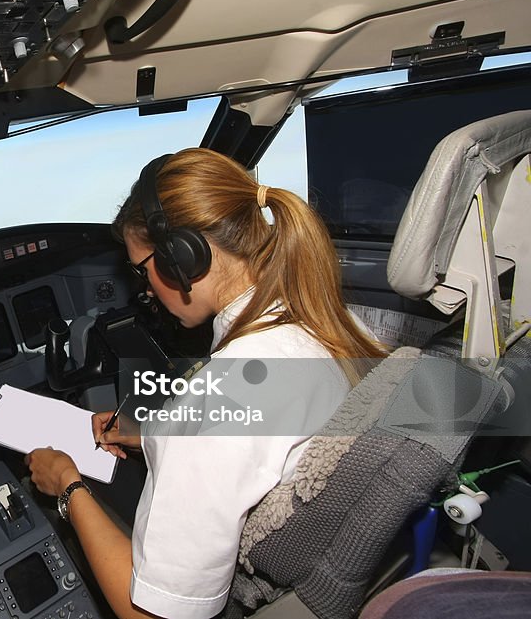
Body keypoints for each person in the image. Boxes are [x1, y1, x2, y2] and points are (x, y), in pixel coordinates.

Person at [25, 148, 384, 619]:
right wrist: (152, 433)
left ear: (182, 257)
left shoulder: (220, 397)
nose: (144, 290)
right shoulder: (333, 325)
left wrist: (67, 485)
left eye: (142, 269)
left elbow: (150, 617)